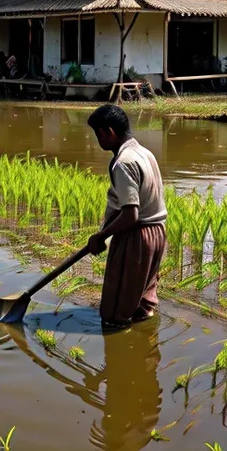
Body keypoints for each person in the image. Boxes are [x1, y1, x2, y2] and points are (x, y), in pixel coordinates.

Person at [87, 104, 167, 327]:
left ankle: (122, 352)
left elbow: (131, 214)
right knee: (141, 304)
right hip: (157, 232)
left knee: (113, 315)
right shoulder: (145, 153)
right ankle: (145, 346)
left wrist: (101, 236)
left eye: (98, 134)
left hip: (137, 237)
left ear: (110, 132)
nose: (98, 140)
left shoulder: (123, 163)